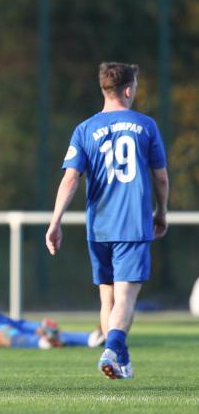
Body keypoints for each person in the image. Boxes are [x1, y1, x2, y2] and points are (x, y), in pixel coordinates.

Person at [46, 62, 168, 380]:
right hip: (132, 224)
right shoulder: (146, 125)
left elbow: (71, 178)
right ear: (128, 90)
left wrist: (55, 221)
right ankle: (112, 348)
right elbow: (162, 178)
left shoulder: (84, 129)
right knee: (125, 298)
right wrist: (162, 212)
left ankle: (119, 358)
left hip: (98, 225)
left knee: (108, 298)